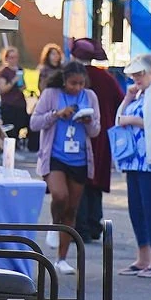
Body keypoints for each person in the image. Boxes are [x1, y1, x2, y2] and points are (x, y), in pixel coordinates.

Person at [29, 59, 100, 274]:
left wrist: (88, 122)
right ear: (64, 80)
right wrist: (56, 115)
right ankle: (54, 222)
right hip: (55, 155)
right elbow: (34, 123)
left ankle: (62, 257)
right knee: (60, 196)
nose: (77, 87)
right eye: (72, 83)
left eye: (81, 83)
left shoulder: (90, 97)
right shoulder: (51, 94)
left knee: (72, 208)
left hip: (79, 158)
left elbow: (96, 130)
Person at [114, 54, 151, 276]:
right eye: (134, 74)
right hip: (133, 161)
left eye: (140, 74)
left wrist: (134, 121)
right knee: (136, 210)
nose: (136, 78)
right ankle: (142, 257)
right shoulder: (138, 94)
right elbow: (119, 118)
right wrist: (128, 99)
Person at [70, 38, 123, 242]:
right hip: (102, 135)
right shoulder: (106, 78)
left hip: (78, 135)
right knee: (96, 181)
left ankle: (81, 226)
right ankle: (94, 223)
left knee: (80, 179)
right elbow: (120, 101)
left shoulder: (72, 78)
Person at [0, 66, 31, 150]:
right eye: (11, 57)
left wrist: (22, 85)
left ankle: (23, 145)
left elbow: (23, 87)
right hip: (9, 104)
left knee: (23, 124)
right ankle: (11, 149)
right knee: (11, 129)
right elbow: (2, 89)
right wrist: (14, 80)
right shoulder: (4, 72)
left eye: (16, 57)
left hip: (20, 104)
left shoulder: (19, 70)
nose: (14, 60)